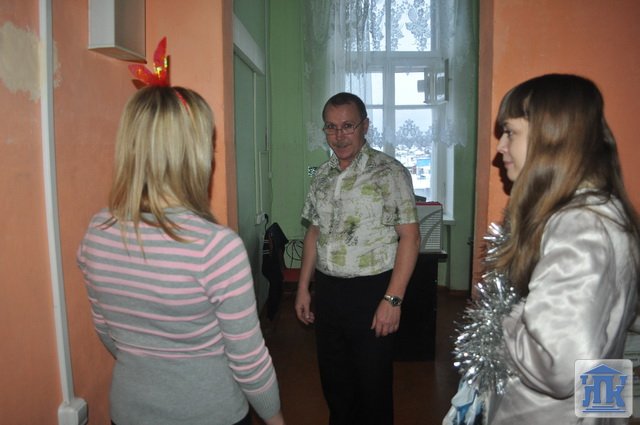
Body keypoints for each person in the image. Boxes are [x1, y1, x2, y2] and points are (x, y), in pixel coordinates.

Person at [77, 86, 286, 425]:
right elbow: (247, 359)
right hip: (211, 414)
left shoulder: (97, 231)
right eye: (208, 143)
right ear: (194, 155)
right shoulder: (216, 247)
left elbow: (107, 331)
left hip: (129, 411)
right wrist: (275, 419)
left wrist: (153, 368)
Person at [447, 74, 640, 425]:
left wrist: (502, 315)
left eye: (510, 132)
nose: (500, 148)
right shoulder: (605, 211)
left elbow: (558, 366)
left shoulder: (580, 228)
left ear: (550, 137)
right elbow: (606, 336)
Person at [294, 92, 420, 425]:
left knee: (372, 388)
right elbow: (314, 232)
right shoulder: (322, 175)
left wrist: (393, 300)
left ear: (365, 126)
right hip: (328, 291)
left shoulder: (389, 172)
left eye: (348, 126)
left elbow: (410, 237)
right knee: (335, 385)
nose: (339, 136)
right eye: (331, 127)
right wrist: (304, 287)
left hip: (372, 291)